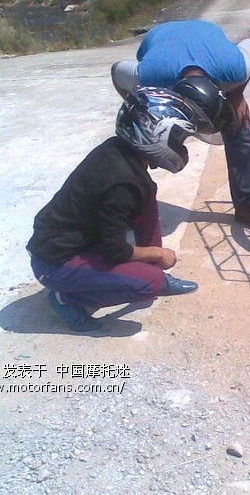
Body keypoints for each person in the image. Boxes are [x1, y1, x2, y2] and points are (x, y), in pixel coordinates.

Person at [27, 87, 201, 332]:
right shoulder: (121, 183)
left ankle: (152, 271)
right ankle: (66, 299)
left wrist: (153, 255)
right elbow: (115, 251)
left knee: (146, 194)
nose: (180, 145)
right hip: (55, 264)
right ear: (154, 133)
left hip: (77, 245)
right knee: (149, 285)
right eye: (177, 137)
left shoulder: (118, 152)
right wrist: (156, 254)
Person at [111, 19, 250, 232]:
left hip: (205, 34)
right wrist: (139, 108)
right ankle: (130, 204)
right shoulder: (150, 78)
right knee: (136, 133)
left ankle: (246, 204)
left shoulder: (235, 69)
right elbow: (116, 70)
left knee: (240, 125)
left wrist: (236, 94)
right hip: (160, 37)